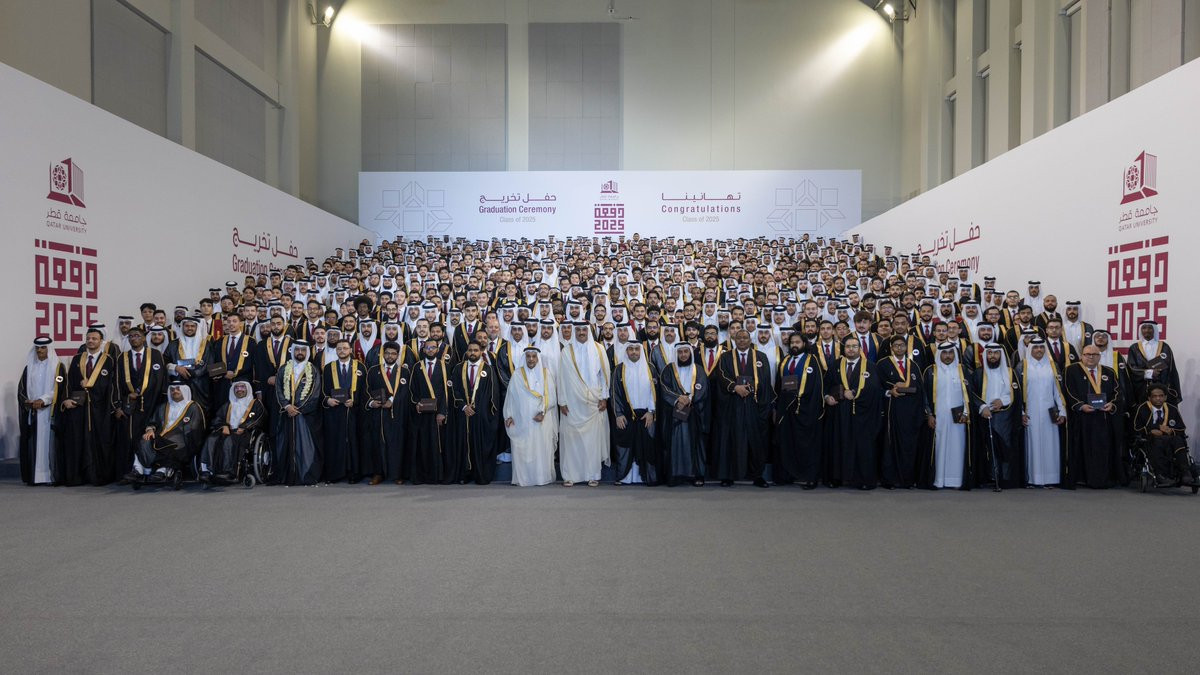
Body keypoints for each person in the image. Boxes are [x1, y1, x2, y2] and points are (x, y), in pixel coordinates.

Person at [59, 326, 118, 486]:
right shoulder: (77, 359)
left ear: (101, 341)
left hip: (100, 409)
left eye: (94, 339)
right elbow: (67, 381)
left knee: (99, 442)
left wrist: (92, 386)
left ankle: (98, 476)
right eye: (88, 338)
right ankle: (78, 477)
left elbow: (111, 385)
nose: (90, 341)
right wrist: (66, 399)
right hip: (78, 408)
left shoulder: (109, 360)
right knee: (78, 441)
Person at [557, 322, 611, 487]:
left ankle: (593, 475)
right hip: (571, 403)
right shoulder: (566, 351)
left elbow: (604, 375)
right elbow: (561, 378)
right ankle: (570, 475)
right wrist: (562, 401)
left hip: (593, 402)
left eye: (584, 330)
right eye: (578, 330)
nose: (581, 332)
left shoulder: (599, 349)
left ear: (589, 331)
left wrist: (604, 397)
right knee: (571, 440)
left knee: (592, 441)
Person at [1063, 344, 1123, 489]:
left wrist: (1112, 404)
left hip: (1103, 418)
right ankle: (1083, 478)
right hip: (1081, 418)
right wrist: (1080, 405)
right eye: (1087, 354)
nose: (1091, 357)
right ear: (1081, 356)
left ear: (1099, 357)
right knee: (1083, 448)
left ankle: (1101, 479)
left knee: (1102, 448)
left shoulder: (1109, 372)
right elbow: (1068, 391)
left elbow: (1117, 392)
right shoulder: (1071, 370)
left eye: (1094, 354)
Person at [114, 325, 167, 481]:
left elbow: (162, 380)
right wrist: (118, 405)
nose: (134, 339)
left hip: (152, 404)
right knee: (131, 438)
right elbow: (116, 384)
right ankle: (134, 470)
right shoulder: (122, 358)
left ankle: (151, 470)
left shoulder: (155, 355)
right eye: (131, 336)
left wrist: (163, 403)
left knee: (150, 437)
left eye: (137, 335)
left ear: (144, 338)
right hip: (130, 407)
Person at [772, 332, 824, 488]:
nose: (794, 345)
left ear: (804, 344)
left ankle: (810, 478)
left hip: (805, 409)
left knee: (807, 444)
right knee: (786, 442)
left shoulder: (812, 360)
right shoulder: (785, 361)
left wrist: (811, 408)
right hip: (786, 409)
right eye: (792, 342)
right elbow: (779, 385)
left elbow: (817, 386)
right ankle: (786, 476)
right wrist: (776, 407)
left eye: (797, 342)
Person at [829, 335, 882, 489]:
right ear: (843, 349)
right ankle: (838, 478)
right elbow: (828, 384)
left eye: (854, 346)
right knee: (840, 444)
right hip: (840, 413)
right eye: (848, 346)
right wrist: (828, 397)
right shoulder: (836, 365)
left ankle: (863, 480)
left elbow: (874, 389)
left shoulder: (870, 366)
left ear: (860, 349)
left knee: (862, 447)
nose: (851, 349)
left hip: (863, 414)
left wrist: (854, 393)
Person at [921, 343, 974, 490]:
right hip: (938, 418)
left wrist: (966, 413)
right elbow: (924, 396)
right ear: (939, 354)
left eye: (951, 353)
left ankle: (956, 480)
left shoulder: (962, 370)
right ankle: (938, 480)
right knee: (939, 448)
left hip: (959, 419)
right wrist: (929, 415)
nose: (948, 356)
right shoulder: (930, 371)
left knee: (958, 448)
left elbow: (969, 394)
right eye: (944, 353)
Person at [658, 342, 710, 487]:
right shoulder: (668, 370)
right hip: (675, 413)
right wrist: (677, 399)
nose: (683, 355)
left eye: (686, 352)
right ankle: (675, 475)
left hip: (694, 413)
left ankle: (696, 475)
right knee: (675, 444)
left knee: (695, 445)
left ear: (690, 353)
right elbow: (664, 388)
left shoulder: (698, 369)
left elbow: (703, 388)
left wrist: (689, 399)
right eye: (680, 352)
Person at [130, 383, 206, 483]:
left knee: (168, 444)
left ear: (184, 390)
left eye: (178, 389)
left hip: (182, 440)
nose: (175, 391)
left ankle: (162, 470)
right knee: (144, 439)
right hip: (160, 437)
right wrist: (150, 430)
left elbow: (195, 428)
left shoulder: (193, 407)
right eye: (172, 389)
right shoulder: (163, 407)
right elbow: (153, 422)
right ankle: (139, 470)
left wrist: (174, 435)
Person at [504, 347, 558, 487]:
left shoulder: (546, 374)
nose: (531, 359)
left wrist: (542, 412)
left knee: (541, 448)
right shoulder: (517, 375)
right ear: (525, 358)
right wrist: (508, 415)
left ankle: (541, 478)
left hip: (541, 419)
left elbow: (552, 397)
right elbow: (510, 397)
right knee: (524, 448)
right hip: (522, 419)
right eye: (528, 356)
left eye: (534, 356)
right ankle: (524, 478)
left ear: (538, 358)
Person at [971, 344, 1022, 490]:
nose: (992, 356)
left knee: (1004, 447)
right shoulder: (978, 373)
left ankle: (1004, 478)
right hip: (985, 415)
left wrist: (1002, 401)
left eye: (996, 353)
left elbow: (1016, 393)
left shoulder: (1010, 372)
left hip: (1005, 417)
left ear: (1001, 355)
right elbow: (972, 393)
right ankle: (989, 477)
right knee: (986, 447)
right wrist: (982, 407)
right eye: (989, 353)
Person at [273, 341, 323, 486]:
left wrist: (299, 409)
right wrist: (287, 406)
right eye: (297, 350)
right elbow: (278, 389)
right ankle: (287, 476)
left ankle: (305, 475)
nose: (300, 352)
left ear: (307, 352)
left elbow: (315, 393)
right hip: (286, 414)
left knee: (306, 446)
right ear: (293, 351)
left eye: (303, 350)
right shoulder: (284, 369)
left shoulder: (312, 370)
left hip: (305, 416)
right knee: (285, 445)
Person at [449, 341, 500, 485]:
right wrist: (464, 406)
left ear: (481, 352)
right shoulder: (459, 368)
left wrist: (481, 410)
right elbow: (454, 389)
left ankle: (480, 475)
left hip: (481, 416)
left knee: (479, 445)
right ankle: (464, 475)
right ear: (466, 352)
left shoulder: (488, 369)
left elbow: (493, 394)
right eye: (470, 350)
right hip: (462, 415)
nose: (472, 353)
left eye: (476, 350)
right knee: (463, 445)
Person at [877, 334, 924, 489]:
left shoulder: (913, 365)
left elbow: (920, 388)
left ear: (906, 347)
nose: (899, 348)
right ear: (891, 348)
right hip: (892, 410)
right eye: (896, 345)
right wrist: (889, 391)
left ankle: (907, 480)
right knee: (890, 445)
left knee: (909, 446)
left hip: (910, 413)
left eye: (902, 345)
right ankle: (889, 480)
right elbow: (876, 387)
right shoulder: (883, 364)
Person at [1019, 338, 1067, 488]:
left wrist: (1062, 411)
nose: (1039, 350)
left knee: (1050, 445)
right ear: (1030, 349)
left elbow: (1057, 391)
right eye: (1035, 347)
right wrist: (1021, 412)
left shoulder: (1052, 366)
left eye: (1041, 347)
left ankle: (1051, 478)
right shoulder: (1022, 366)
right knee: (1032, 444)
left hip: (1049, 413)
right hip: (1030, 412)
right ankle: (1033, 479)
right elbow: (1018, 392)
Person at [610, 342, 659, 485]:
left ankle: (646, 477)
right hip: (626, 415)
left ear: (641, 351)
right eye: (630, 349)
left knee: (647, 446)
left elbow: (655, 392)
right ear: (626, 351)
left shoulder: (650, 368)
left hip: (646, 416)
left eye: (637, 349)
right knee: (625, 447)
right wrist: (618, 414)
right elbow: (614, 393)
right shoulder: (619, 369)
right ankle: (624, 477)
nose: (634, 352)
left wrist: (651, 412)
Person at [18, 337, 64, 485]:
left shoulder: (58, 368)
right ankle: (35, 478)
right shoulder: (29, 368)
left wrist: (43, 400)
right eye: (37, 348)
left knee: (48, 445)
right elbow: (22, 389)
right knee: (34, 445)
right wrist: (27, 401)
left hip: (50, 412)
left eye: (43, 347)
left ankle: (50, 476)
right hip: (33, 413)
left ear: (49, 349)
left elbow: (59, 388)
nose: (39, 350)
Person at [321, 338, 368, 484]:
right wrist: (328, 400)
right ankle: (335, 473)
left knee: (354, 442)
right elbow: (323, 391)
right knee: (336, 442)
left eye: (345, 348)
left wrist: (355, 401)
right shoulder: (329, 368)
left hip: (354, 412)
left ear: (350, 350)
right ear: (336, 351)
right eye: (339, 349)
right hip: (335, 413)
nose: (342, 351)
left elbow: (365, 391)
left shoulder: (360, 367)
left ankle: (354, 473)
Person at [199, 379, 264, 483]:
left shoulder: (255, 404)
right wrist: (223, 426)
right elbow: (218, 418)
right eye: (236, 388)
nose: (239, 390)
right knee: (211, 439)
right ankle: (207, 471)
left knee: (228, 441)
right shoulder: (228, 405)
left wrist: (244, 427)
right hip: (227, 431)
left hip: (244, 433)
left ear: (247, 389)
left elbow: (258, 418)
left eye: (242, 387)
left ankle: (228, 471)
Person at [1131, 384, 1197, 486]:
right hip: (1151, 440)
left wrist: (1171, 431)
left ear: (1165, 397)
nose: (1158, 398)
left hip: (1170, 439)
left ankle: (1185, 473)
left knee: (1178, 440)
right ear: (1149, 398)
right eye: (1155, 396)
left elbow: (1181, 429)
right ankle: (1161, 475)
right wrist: (1151, 430)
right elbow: (1136, 429)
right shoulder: (1142, 408)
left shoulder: (1172, 409)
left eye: (1161, 396)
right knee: (1157, 441)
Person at [364, 341, 410, 485]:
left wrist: (392, 400)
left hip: (396, 414)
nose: (390, 356)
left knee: (396, 443)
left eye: (393, 353)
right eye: (387, 353)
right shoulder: (373, 370)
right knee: (377, 443)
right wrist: (371, 402)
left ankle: (397, 474)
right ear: (383, 354)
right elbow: (366, 390)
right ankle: (378, 474)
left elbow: (406, 392)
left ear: (398, 355)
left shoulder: (404, 371)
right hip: (378, 414)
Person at [407, 339, 450, 484]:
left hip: (438, 414)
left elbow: (446, 392)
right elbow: (412, 390)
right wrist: (416, 403)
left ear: (438, 349)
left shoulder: (444, 366)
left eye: (433, 347)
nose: (430, 350)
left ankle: (437, 476)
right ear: (423, 350)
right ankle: (423, 476)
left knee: (438, 445)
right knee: (423, 444)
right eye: (428, 348)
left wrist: (442, 412)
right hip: (422, 414)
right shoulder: (417, 367)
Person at [1124, 320, 1181, 405]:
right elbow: (1131, 368)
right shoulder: (1134, 348)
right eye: (1144, 328)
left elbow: (1170, 369)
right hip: (1141, 389)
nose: (1147, 330)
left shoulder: (1164, 347)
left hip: (1161, 388)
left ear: (1154, 330)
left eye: (1150, 328)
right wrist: (1149, 373)